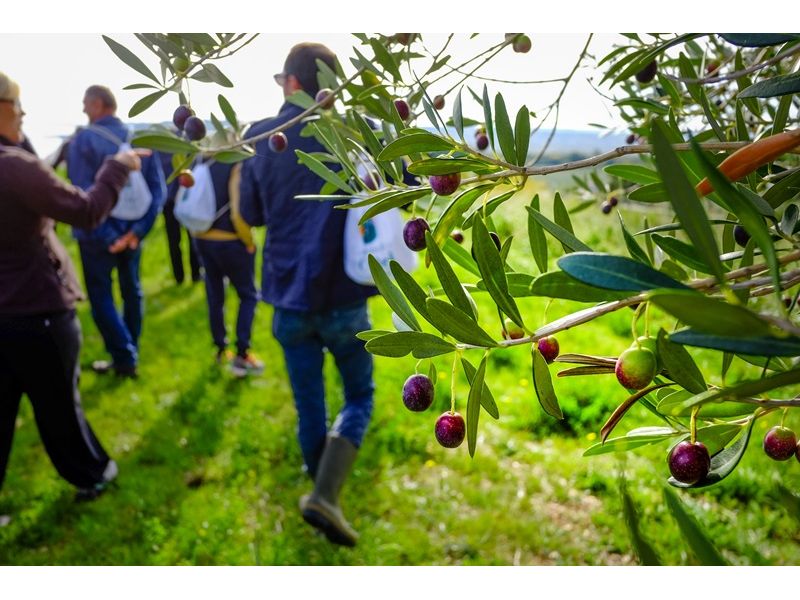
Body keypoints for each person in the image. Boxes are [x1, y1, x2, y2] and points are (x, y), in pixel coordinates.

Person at [240, 43, 379, 547]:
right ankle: (326, 496)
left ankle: (322, 494)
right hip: (342, 294)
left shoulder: (261, 135)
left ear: (292, 83)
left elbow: (252, 214)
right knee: (359, 394)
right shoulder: (351, 136)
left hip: (288, 297)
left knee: (310, 405)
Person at [0, 71, 147, 507]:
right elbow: (85, 210)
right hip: (37, 313)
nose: (23, 113)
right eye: (17, 104)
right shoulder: (13, 168)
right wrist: (116, 169)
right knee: (60, 405)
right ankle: (92, 475)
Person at [67, 85, 166, 378]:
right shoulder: (140, 138)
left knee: (101, 297)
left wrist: (110, 236)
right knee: (132, 291)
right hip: (132, 234)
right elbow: (157, 191)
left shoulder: (83, 141)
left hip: (97, 237)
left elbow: (82, 194)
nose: (84, 109)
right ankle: (128, 352)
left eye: (85, 103)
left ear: (98, 104)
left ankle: (124, 356)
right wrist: (136, 232)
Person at [190, 156, 264, 376]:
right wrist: (249, 241)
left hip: (201, 237)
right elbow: (237, 212)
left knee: (215, 294)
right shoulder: (235, 164)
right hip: (230, 241)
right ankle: (242, 353)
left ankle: (221, 349)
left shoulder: (200, 159)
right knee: (248, 295)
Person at [158, 151, 201, 285]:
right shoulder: (186, 144)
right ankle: (195, 275)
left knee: (174, 240)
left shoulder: (161, 146)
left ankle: (179, 277)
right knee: (190, 236)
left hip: (169, 199)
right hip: (185, 198)